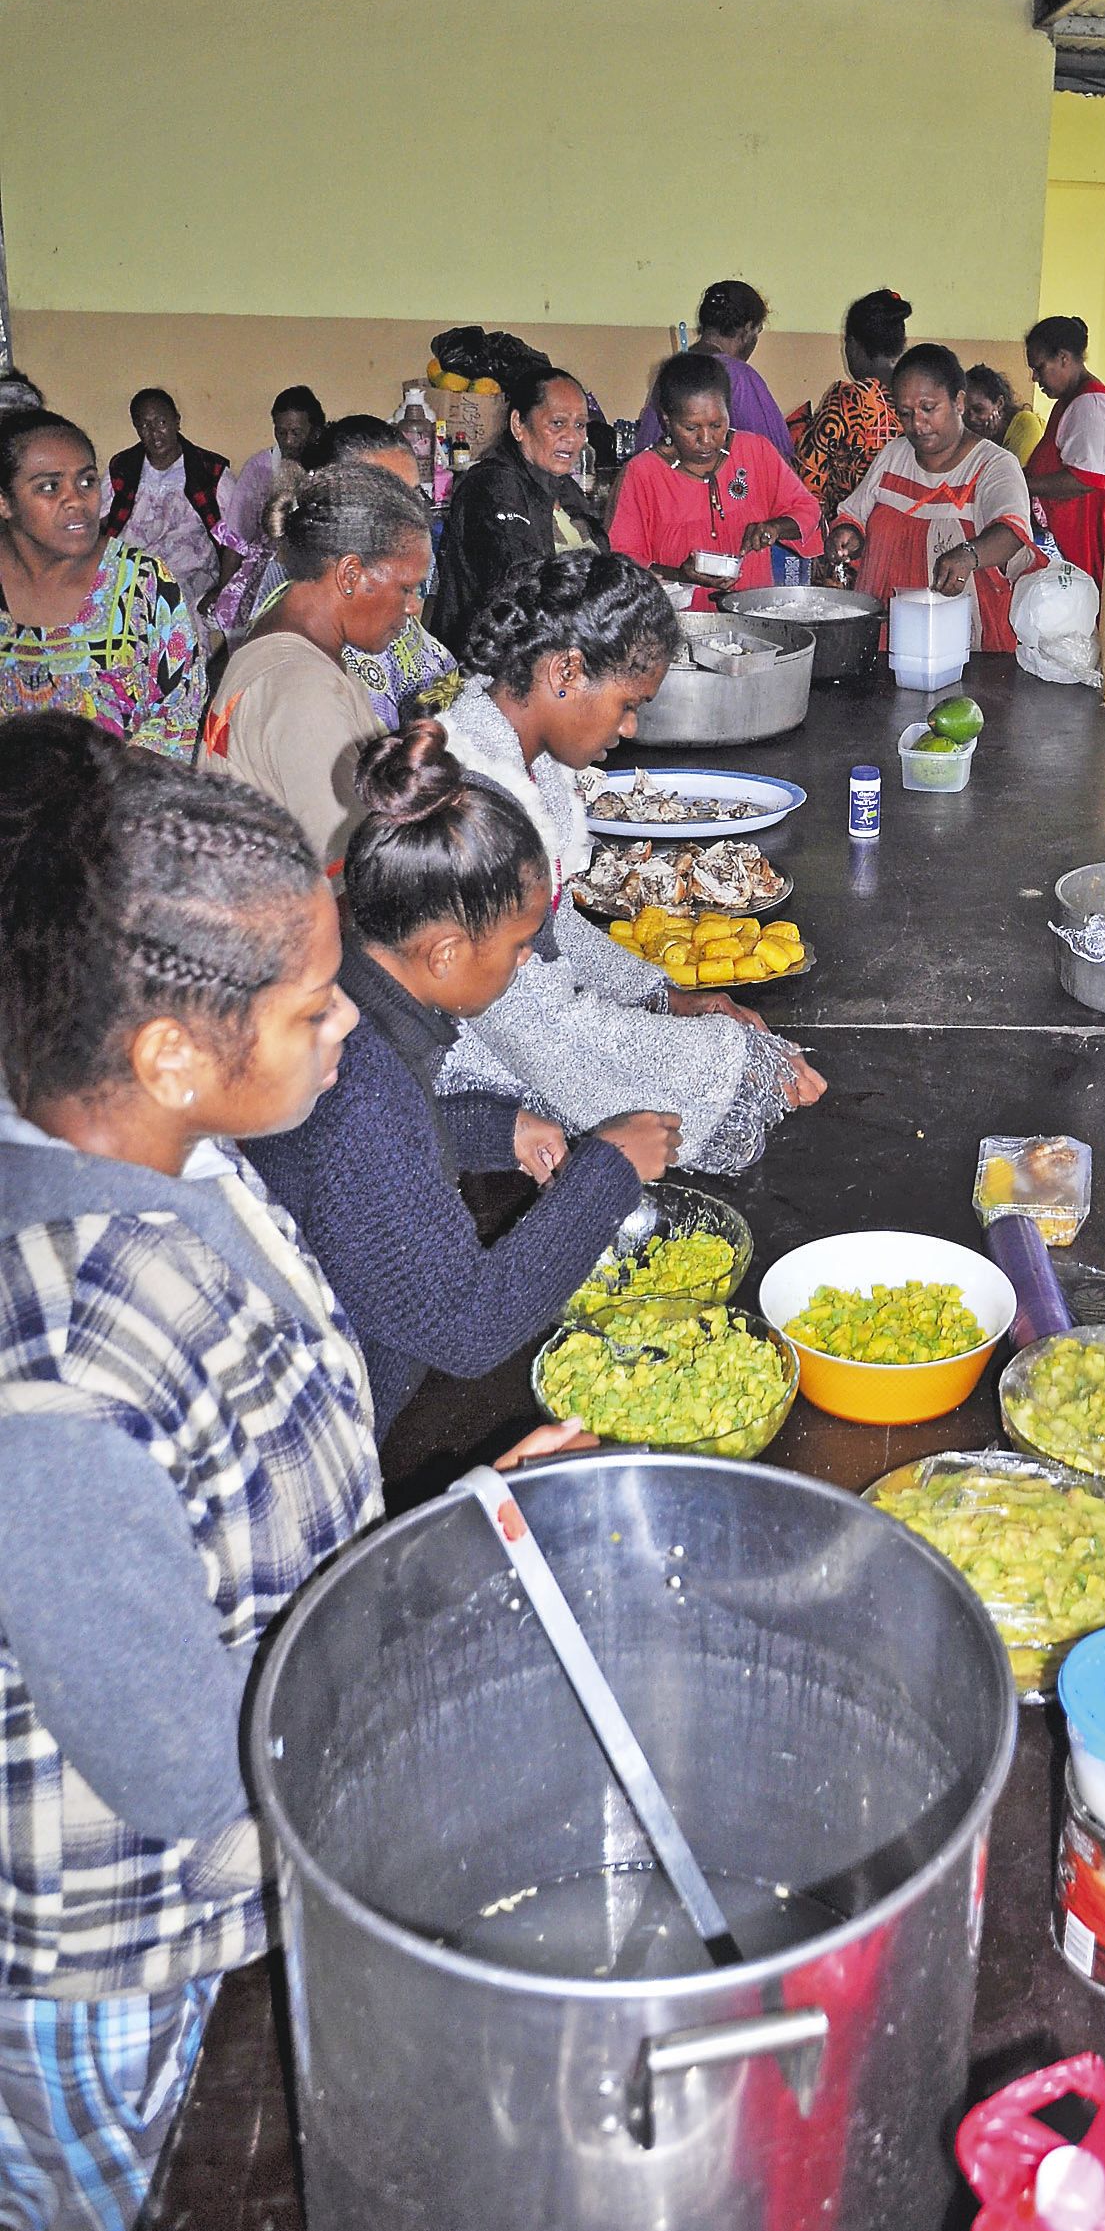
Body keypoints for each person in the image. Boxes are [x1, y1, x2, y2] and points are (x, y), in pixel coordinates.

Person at [0, 716, 579, 2231]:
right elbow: (191, 1770)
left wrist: (443, 1529)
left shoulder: (190, 1157)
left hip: (249, 1798)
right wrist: (428, 1618)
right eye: (318, 1006)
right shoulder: (56, 1374)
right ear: (171, 1050)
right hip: (115, 1953)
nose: (348, 1032)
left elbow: (255, 1499)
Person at [248, 720, 679, 1436]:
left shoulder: (351, 993)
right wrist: (609, 1170)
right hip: (331, 1423)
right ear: (445, 953)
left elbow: (357, 1167)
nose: (526, 962)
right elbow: (464, 1325)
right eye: (519, 946)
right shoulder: (361, 1079)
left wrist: (493, 1129)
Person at [439, 551, 825, 1171]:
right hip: (453, 1102)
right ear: (566, 671)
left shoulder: (527, 767)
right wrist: (733, 1059)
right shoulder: (474, 808)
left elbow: (554, 928)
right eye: (628, 703)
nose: (631, 728)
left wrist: (661, 996)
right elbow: (539, 1030)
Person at [199, 464, 433, 869]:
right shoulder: (304, 692)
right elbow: (347, 872)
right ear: (350, 575)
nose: (413, 607)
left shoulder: (278, 639)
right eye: (406, 588)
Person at [0, 409, 205, 760]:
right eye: (49, 487)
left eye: (87, 482)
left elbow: (179, 710)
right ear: (4, 502)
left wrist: (112, 784)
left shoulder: (142, 583)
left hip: (120, 791)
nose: (76, 500)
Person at [237, 413, 460, 727]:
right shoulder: (304, 602)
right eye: (386, 499)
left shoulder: (394, 558)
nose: (408, 514)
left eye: (411, 495)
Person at [826, 344, 1042, 653]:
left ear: (959, 401)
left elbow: (1011, 534)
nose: (917, 424)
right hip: (885, 636)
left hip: (964, 643)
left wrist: (969, 554)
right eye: (905, 413)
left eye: (928, 408)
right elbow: (855, 515)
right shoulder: (894, 455)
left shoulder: (993, 465)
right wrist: (848, 535)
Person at [610, 351, 824, 607]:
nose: (706, 440)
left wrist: (774, 528)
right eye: (691, 428)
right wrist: (680, 574)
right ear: (667, 420)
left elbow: (807, 509)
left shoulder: (756, 452)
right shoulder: (643, 474)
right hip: (679, 619)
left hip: (754, 614)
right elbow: (623, 561)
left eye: (717, 425)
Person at [431, 365, 607, 657]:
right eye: (557, 423)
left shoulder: (564, 487)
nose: (572, 437)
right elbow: (522, 584)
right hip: (492, 661)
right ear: (518, 425)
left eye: (580, 425)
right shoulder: (492, 486)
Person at [102, 388, 232, 613]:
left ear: (176, 421)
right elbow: (99, 523)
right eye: (144, 425)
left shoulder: (210, 471)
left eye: (161, 422)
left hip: (188, 574)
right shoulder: (123, 467)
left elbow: (236, 536)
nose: (154, 433)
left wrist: (224, 587)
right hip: (129, 570)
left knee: (166, 607)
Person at [633, 281, 794, 462]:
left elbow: (644, 450)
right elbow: (776, 459)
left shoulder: (672, 372)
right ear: (748, 329)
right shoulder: (739, 376)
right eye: (758, 331)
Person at [796, 290, 911, 511]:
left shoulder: (849, 399)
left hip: (848, 527)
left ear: (853, 346)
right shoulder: (919, 399)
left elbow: (808, 477)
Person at [1023, 316, 1105, 583]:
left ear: (1064, 358)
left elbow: (1085, 479)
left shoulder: (1091, 406)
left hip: (1092, 544)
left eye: (1039, 368)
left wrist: (1022, 484)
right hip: (1073, 544)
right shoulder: (1069, 401)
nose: (1035, 378)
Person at [224, 387, 327, 551]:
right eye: (281, 433)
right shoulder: (259, 468)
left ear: (316, 432)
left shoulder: (330, 469)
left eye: (296, 433)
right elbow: (236, 537)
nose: (288, 442)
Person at [963, 362, 1042, 470]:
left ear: (999, 403)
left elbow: (1014, 476)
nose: (971, 418)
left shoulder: (1025, 423)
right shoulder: (966, 432)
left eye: (979, 410)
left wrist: (987, 444)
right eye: (965, 411)